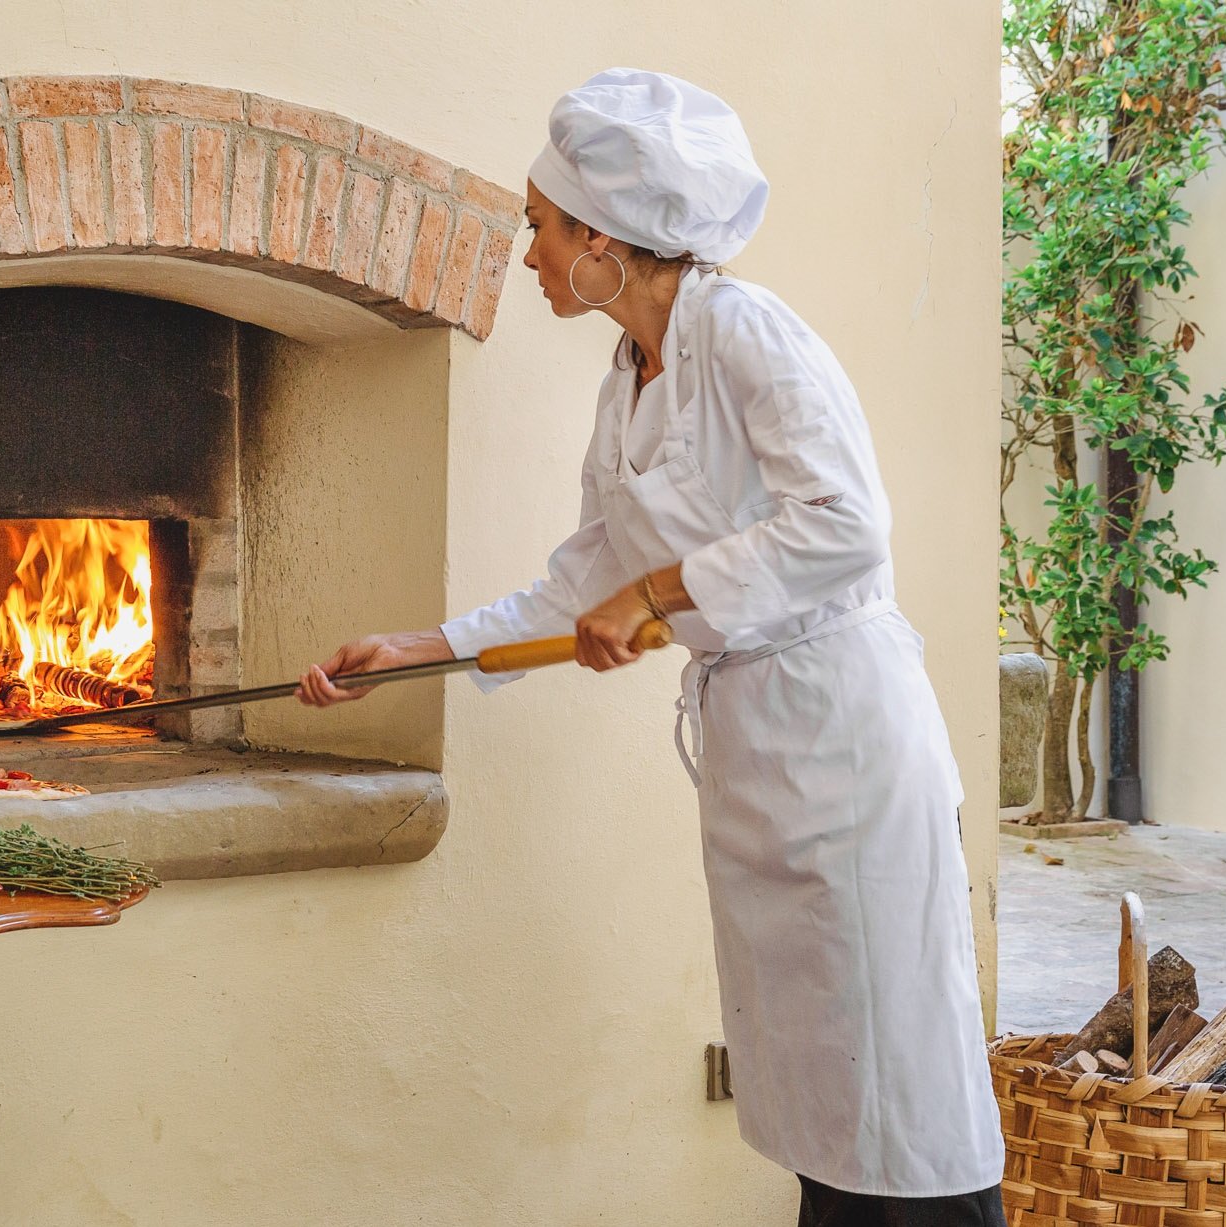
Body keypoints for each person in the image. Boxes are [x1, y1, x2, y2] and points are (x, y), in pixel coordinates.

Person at [296, 69, 1007, 1227]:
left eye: (536, 225)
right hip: (754, 759)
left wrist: (662, 591)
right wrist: (415, 647)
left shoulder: (744, 333)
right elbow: (582, 577)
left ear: (601, 239)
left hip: (845, 746)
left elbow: (844, 524)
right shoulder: (626, 376)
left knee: (900, 1089)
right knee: (820, 1096)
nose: (524, 253)